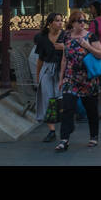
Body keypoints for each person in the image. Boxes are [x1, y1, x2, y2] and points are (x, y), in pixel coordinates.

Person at [55, 10, 101, 152]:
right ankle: (64, 140)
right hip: (71, 78)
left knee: (91, 110)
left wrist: (87, 46)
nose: (83, 23)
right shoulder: (66, 37)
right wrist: (61, 78)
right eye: (80, 21)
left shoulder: (90, 36)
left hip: (88, 78)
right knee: (67, 108)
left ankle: (93, 136)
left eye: (84, 21)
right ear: (72, 23)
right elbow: (64, 58)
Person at [34, 12, 64, 142]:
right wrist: (38, 75)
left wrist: (65, 48)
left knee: (61, 98)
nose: (60, 23)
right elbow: (40, 58)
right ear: (50, 23)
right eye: (57, 20)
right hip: (47, 69)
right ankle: (51, 130)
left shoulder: (65, 36)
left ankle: (64, 128)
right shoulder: (42, 38)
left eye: (61, 20)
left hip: (62, 70)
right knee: (47, 99)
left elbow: (74, 52)